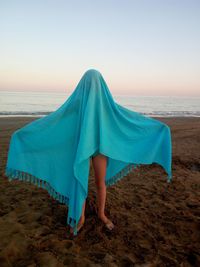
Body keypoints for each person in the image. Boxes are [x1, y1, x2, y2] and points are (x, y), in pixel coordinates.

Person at [5, 69, 172, 236]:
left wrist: (159, 128)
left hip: (101, 148)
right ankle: (81, 216)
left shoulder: (106, 103)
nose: (92, 86)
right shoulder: (79, 103)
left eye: (95, 83)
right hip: (82, 148)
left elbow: (127, 118)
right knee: (80, 180)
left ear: (100, 85)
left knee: (100, 183)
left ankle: (101, 214)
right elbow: (57, 118)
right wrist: (24, 134)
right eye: (90, 83)